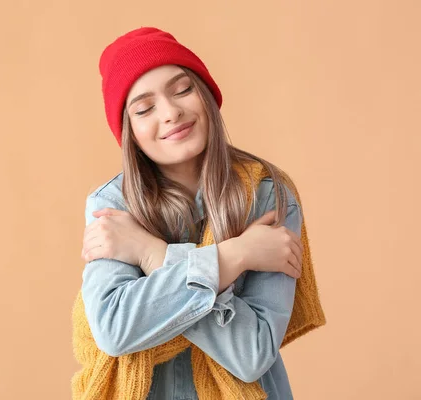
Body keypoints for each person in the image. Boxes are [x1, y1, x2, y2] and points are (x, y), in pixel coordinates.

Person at [73, 26, 322, 400]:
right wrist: (233, 256)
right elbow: (114, 330)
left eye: (183, 89)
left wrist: (151, 254)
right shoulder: (113, 205)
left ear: (206, 95)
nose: (171, 112)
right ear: (130, 132)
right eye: (144, 108)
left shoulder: (267, 193)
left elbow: (252, 354)